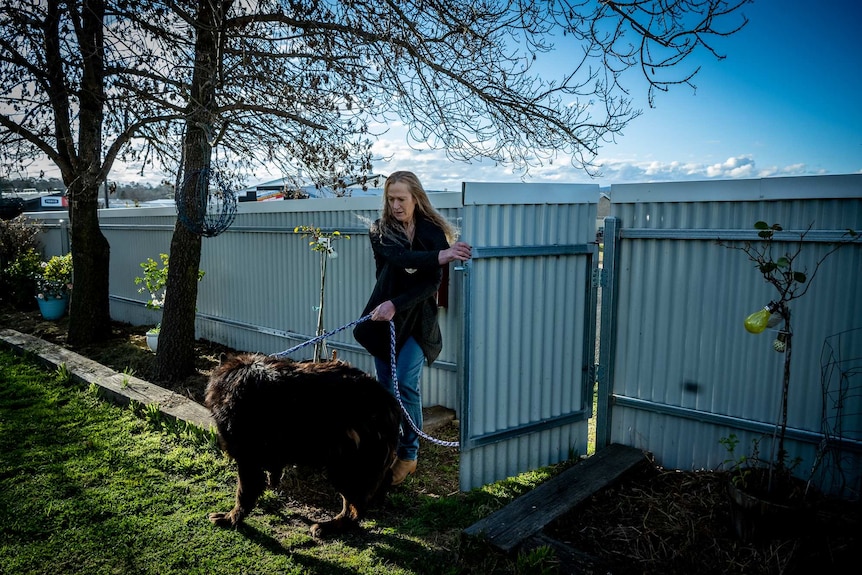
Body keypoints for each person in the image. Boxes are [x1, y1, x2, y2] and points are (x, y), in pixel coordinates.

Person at [354, 171, 472, 486]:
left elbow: (431, 281)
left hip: (417, 322)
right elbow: (401, 257)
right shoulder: (381, 231)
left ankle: (409, 454)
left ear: (415, 198)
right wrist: (442, 255)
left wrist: (399, 303)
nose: (395, 205)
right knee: (387, 391)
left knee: (406, 384)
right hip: (385, 322)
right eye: (390, 198)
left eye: (401, 199)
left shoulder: (431, 230)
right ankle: (387, 450)